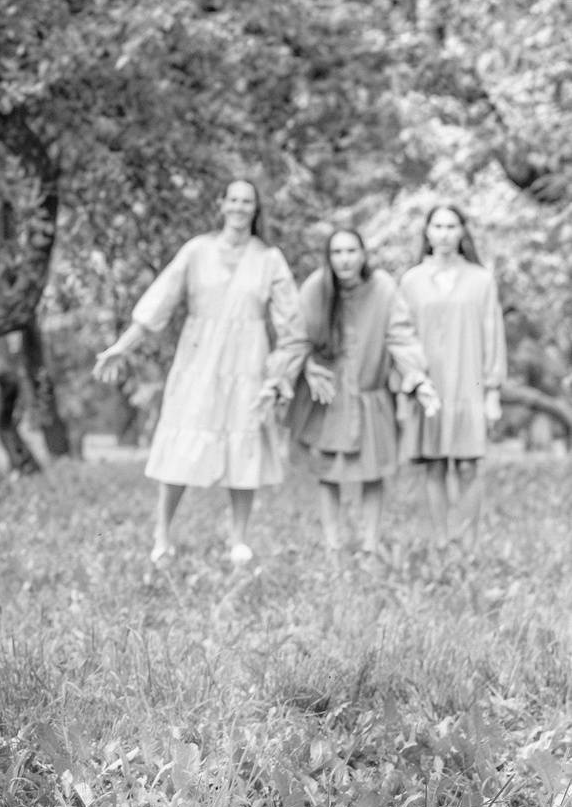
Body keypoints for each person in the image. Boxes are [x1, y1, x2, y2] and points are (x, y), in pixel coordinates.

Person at [92, 174, 304, 567]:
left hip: (248, 362)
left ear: (256, 209)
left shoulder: (269, 258)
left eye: (247, 201)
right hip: (199, 360)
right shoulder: (197, 250)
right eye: (233, 199)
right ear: (221, 204)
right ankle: (162, 536)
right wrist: (122, 346)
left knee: (244, 442)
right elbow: (158, 302)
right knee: (182, 441)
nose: (239, 207)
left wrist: (280, 376)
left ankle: (239, 540)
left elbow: (292, 326)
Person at [287, 228, 440, 561]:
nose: (345, 259)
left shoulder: (382, 288)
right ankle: (332, 545)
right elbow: (296, 337)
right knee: (329, 472)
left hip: (371, 395)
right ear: (329, 257)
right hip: (329, 397)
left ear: (363, 254)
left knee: (373, 471)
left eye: (351, 251)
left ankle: (370, 545)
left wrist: (417, 377)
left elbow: (400, 336)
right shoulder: (316, 288)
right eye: (337, 252)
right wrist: (302, 367)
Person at [399, 203, 507, 549]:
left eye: (451, 227)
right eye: (438, 226)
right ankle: (442, 541)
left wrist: (492, 391)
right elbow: (402, 337)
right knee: (434, 464)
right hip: (430, 387)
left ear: (462, 232)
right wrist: (413, 381)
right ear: (427, 232)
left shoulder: (481, 280)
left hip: (469, 384)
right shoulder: (412, 281)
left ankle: (468, 544)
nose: (444, 234)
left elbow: (492, 334)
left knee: (468, 465)